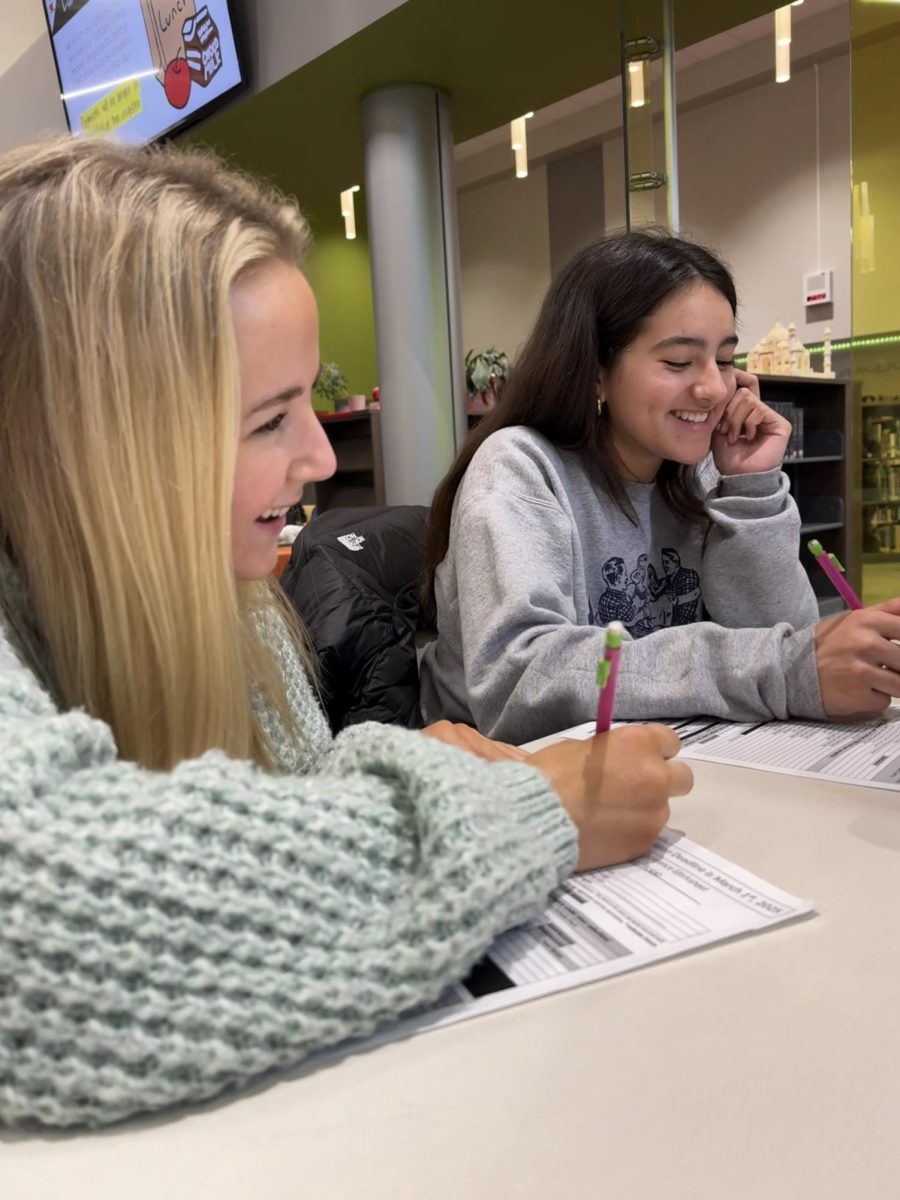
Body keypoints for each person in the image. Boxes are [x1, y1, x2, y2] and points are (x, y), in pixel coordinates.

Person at [0, 139, 693, 1129]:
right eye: (269, 419)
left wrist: (393, 764)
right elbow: (40, 924)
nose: (321, 458)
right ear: (98, 446)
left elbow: (284, 789)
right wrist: (523, 822)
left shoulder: (234, 605)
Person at [420, 231, 900, 745]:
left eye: (723, 359)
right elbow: (520, 683)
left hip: (668, 752)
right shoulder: (518, 466)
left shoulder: (699, 472)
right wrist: (782, 669)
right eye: (678, 362)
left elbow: (792, 646)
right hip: (514, 779)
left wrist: (751, 486)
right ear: (596, 372)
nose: (715, 389)